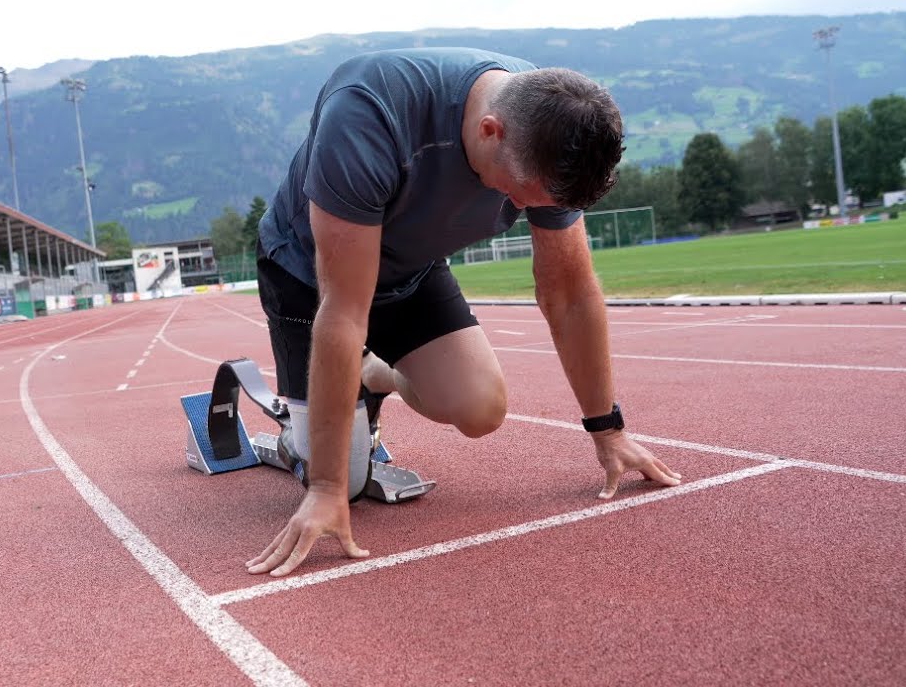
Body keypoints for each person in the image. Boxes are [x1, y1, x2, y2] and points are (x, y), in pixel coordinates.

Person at [245, 47, 682, 579]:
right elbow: (342, 312)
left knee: (481, 409)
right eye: (523, 196)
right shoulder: (367, 113)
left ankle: (373, 375)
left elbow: (569, 293)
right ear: (491, 131)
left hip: (411, 270)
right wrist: (327, 489)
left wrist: (607, 429)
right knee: (349, 480)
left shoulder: (554, 126)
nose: (525, 210)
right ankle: (304, 426)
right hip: (308, 278)